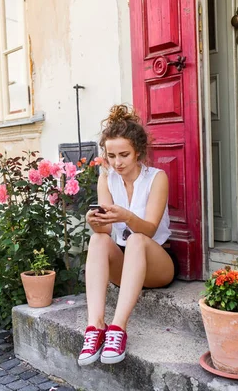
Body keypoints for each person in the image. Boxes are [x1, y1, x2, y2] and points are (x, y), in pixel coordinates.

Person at [77, 104, 178, 366]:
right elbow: (107, 231)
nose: (117, 162)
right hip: (123, 265)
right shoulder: (106, 179)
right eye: (111, 156)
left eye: (124, 155)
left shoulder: (157, 178)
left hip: (156, 262)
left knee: (135, 238)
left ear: (138, 153)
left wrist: (127, 216)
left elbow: (151, 229)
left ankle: (118, 329)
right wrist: (94, 222)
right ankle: (95, 328)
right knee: (98, 239)